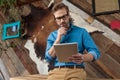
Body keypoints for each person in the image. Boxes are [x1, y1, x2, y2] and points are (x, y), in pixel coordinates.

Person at [45, 2, 100, 80]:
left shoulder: (82, 32)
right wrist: (58, 39)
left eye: (64, 16)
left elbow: (95, 52)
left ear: (68, 15)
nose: (62, 21)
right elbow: (48, 58)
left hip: (76, 71)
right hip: (57, 72)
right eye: (58, 18)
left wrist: (84, 57)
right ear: (55, 19)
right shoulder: (53, 36)